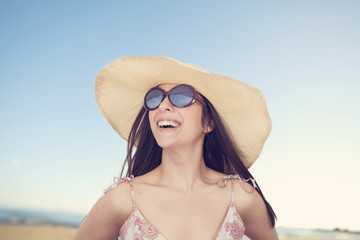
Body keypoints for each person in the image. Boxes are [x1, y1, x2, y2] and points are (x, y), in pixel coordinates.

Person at [73, 56, 278, 240]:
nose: (163, 105)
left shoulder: (243, 198)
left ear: (208, 122)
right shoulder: (122, 199)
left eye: (181, 96)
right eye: (154, 98)